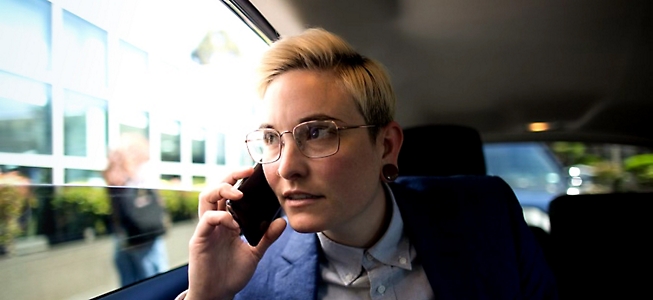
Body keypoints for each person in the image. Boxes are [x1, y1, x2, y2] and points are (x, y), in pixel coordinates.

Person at [179, 28, 558, 299]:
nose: (286, 167)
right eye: (271, 138)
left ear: (386, 146)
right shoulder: (250, 270)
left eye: (317, 132)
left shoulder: (487, 214)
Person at [103, 133, 169, 287]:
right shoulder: (141, 173)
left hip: (124, 236)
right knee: (156, 281)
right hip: (145, 236)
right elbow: (156, 199)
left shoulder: (113, 175)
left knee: (129, 285)